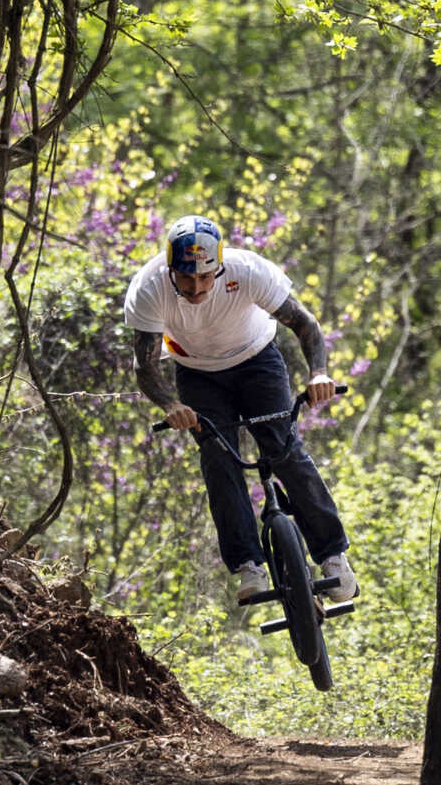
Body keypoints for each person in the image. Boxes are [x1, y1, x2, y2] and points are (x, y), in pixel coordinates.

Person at [123, 215, 357, 607]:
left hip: (256, 361)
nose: (196, 288)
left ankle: (333, 555)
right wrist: (171, 404)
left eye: (205, 278)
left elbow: (305, 324)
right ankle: (249, 564)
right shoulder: (149, 288)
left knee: (284, 450)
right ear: (170, 269)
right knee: (218, 460)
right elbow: (144, 365)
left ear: (220, 267)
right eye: (186, 278)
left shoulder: (247, 271)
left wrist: (319, 374)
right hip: (198, 375)